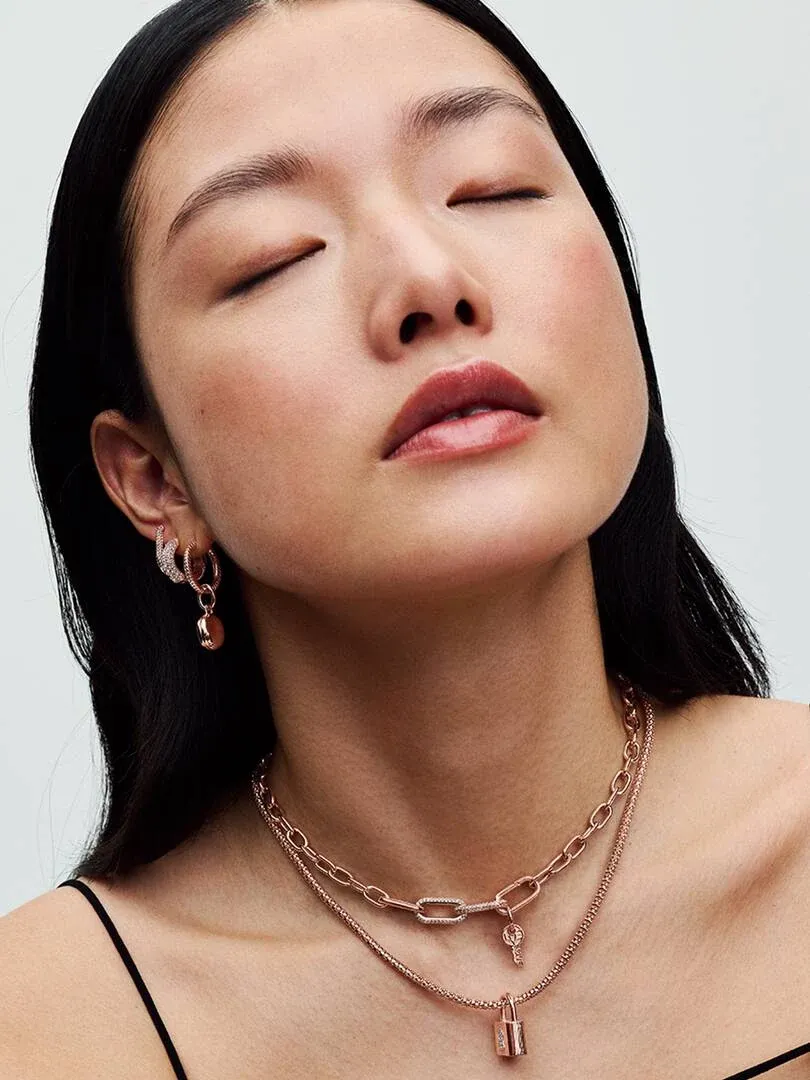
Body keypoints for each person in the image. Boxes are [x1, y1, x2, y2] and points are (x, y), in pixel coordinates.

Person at [2, 0, 808, 1075]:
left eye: (493, 188)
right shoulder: (49, 1027)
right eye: (274, 257)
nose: (429, 283)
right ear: (153, 478)